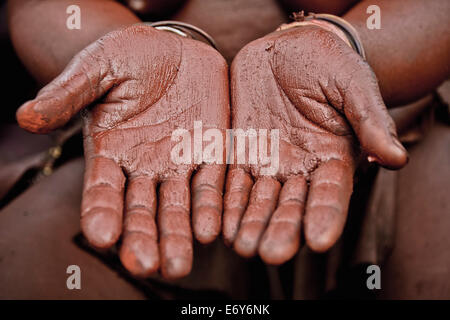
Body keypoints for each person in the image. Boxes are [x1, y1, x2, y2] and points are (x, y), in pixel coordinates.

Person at [0, 0, 449, 299]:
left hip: (389, 117)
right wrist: (134, 50)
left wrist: (347, 43)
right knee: (23, 264)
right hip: (144, 141)